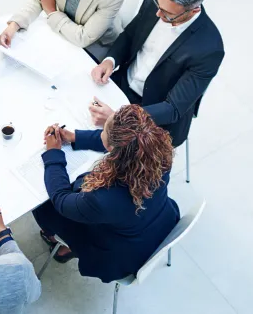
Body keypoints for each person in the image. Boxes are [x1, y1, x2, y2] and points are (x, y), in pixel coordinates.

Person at [32, 105, 180, 283]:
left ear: (113, 149)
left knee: (43, 206)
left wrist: (53, 153)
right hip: (158, 223)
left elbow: (61, 199)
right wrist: (75, 137)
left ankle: (53, 238)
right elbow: (120, 142)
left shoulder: (103, 198)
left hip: (119, 257)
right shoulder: (160, 151)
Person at [89, 0, 224, 147]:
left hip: (156, 117)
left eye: (167, 14)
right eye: (158, 5)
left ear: (193, 11)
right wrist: (110, 60)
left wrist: (118, 119)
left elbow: (173, 108)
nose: (158, 15)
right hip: (122, 83)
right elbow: (130, 34)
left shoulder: (209, 49)